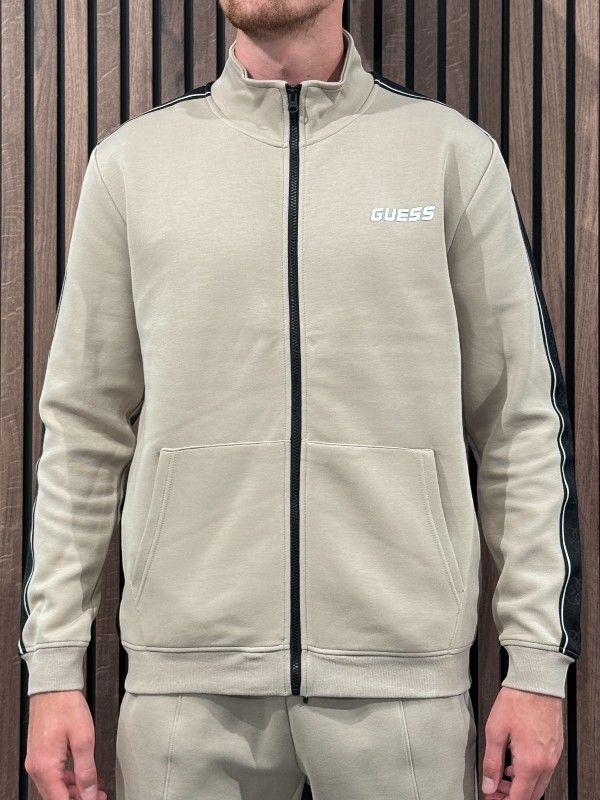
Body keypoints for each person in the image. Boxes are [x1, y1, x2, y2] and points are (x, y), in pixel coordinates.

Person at [19, 1, 582, 799]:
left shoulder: (450, 158)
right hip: (185, 688)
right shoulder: (132, 167)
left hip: (404, 685)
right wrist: (52, 667)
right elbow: (81, 429)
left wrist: (536, 665)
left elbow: (521, 423)